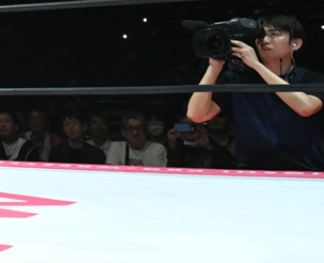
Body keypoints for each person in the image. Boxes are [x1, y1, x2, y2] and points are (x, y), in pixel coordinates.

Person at [186, 14, 324, 171]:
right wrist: (214, 68)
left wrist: (257, 65)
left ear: (295, 44)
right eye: (260, 35)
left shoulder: (311, 78)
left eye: (275, 34)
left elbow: (306, 108)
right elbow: (197, 115)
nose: (265, 39)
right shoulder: (237, 79)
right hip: (251, 171)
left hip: (305, 170)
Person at [103, 113, 167, 167]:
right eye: (130, 128)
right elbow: (111, 173)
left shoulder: (157, 148)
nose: (135, 132)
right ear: (123, 132)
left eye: (139, 128)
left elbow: (156, 174)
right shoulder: (116, 147)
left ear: (146, 132)